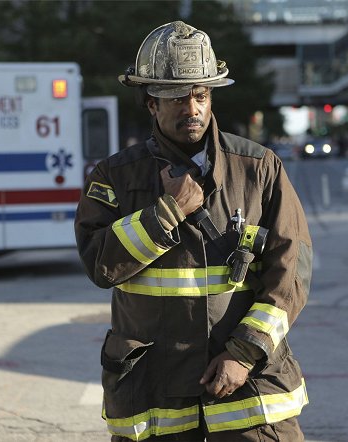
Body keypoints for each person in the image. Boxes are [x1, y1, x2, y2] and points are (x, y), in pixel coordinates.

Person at [75, 21, 312, 441]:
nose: (193, 108)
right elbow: (100, 264)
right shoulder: (115, 176)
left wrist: (243, 353)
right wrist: (166, 213)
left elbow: (290, 274)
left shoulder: (259, 169)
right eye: (178, 98)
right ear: (151, 103)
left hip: (247, 386)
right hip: (153, 389)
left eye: (202, 95)